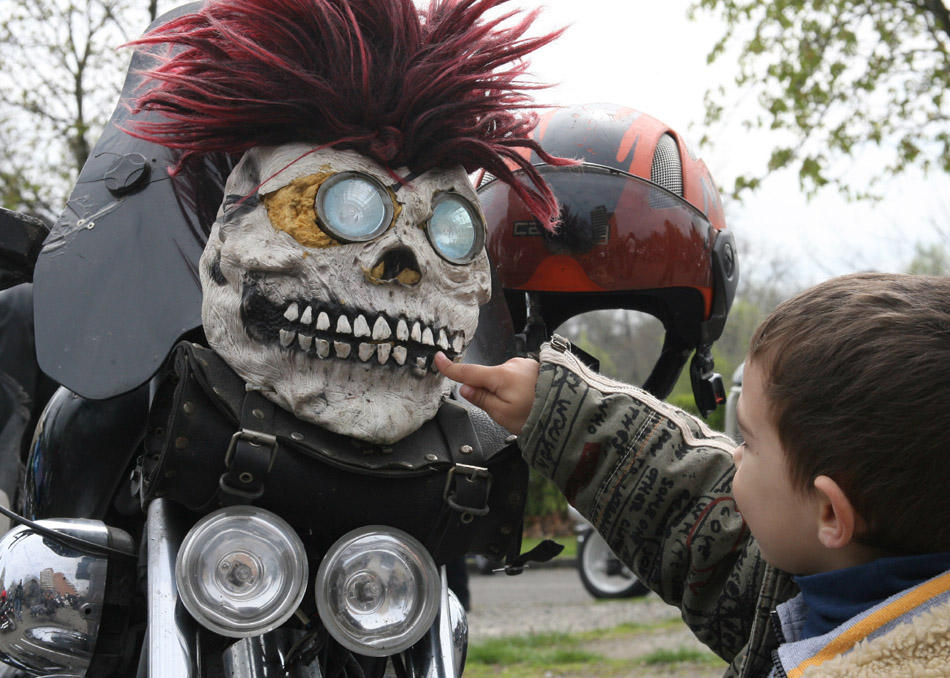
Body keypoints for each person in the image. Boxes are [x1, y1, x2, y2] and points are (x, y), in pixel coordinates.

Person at [435, 271, 950, 678]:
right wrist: (560, 408)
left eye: (748, 442)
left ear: (830, 514)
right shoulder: (839, 573)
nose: (734, 456)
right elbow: (690, 513)